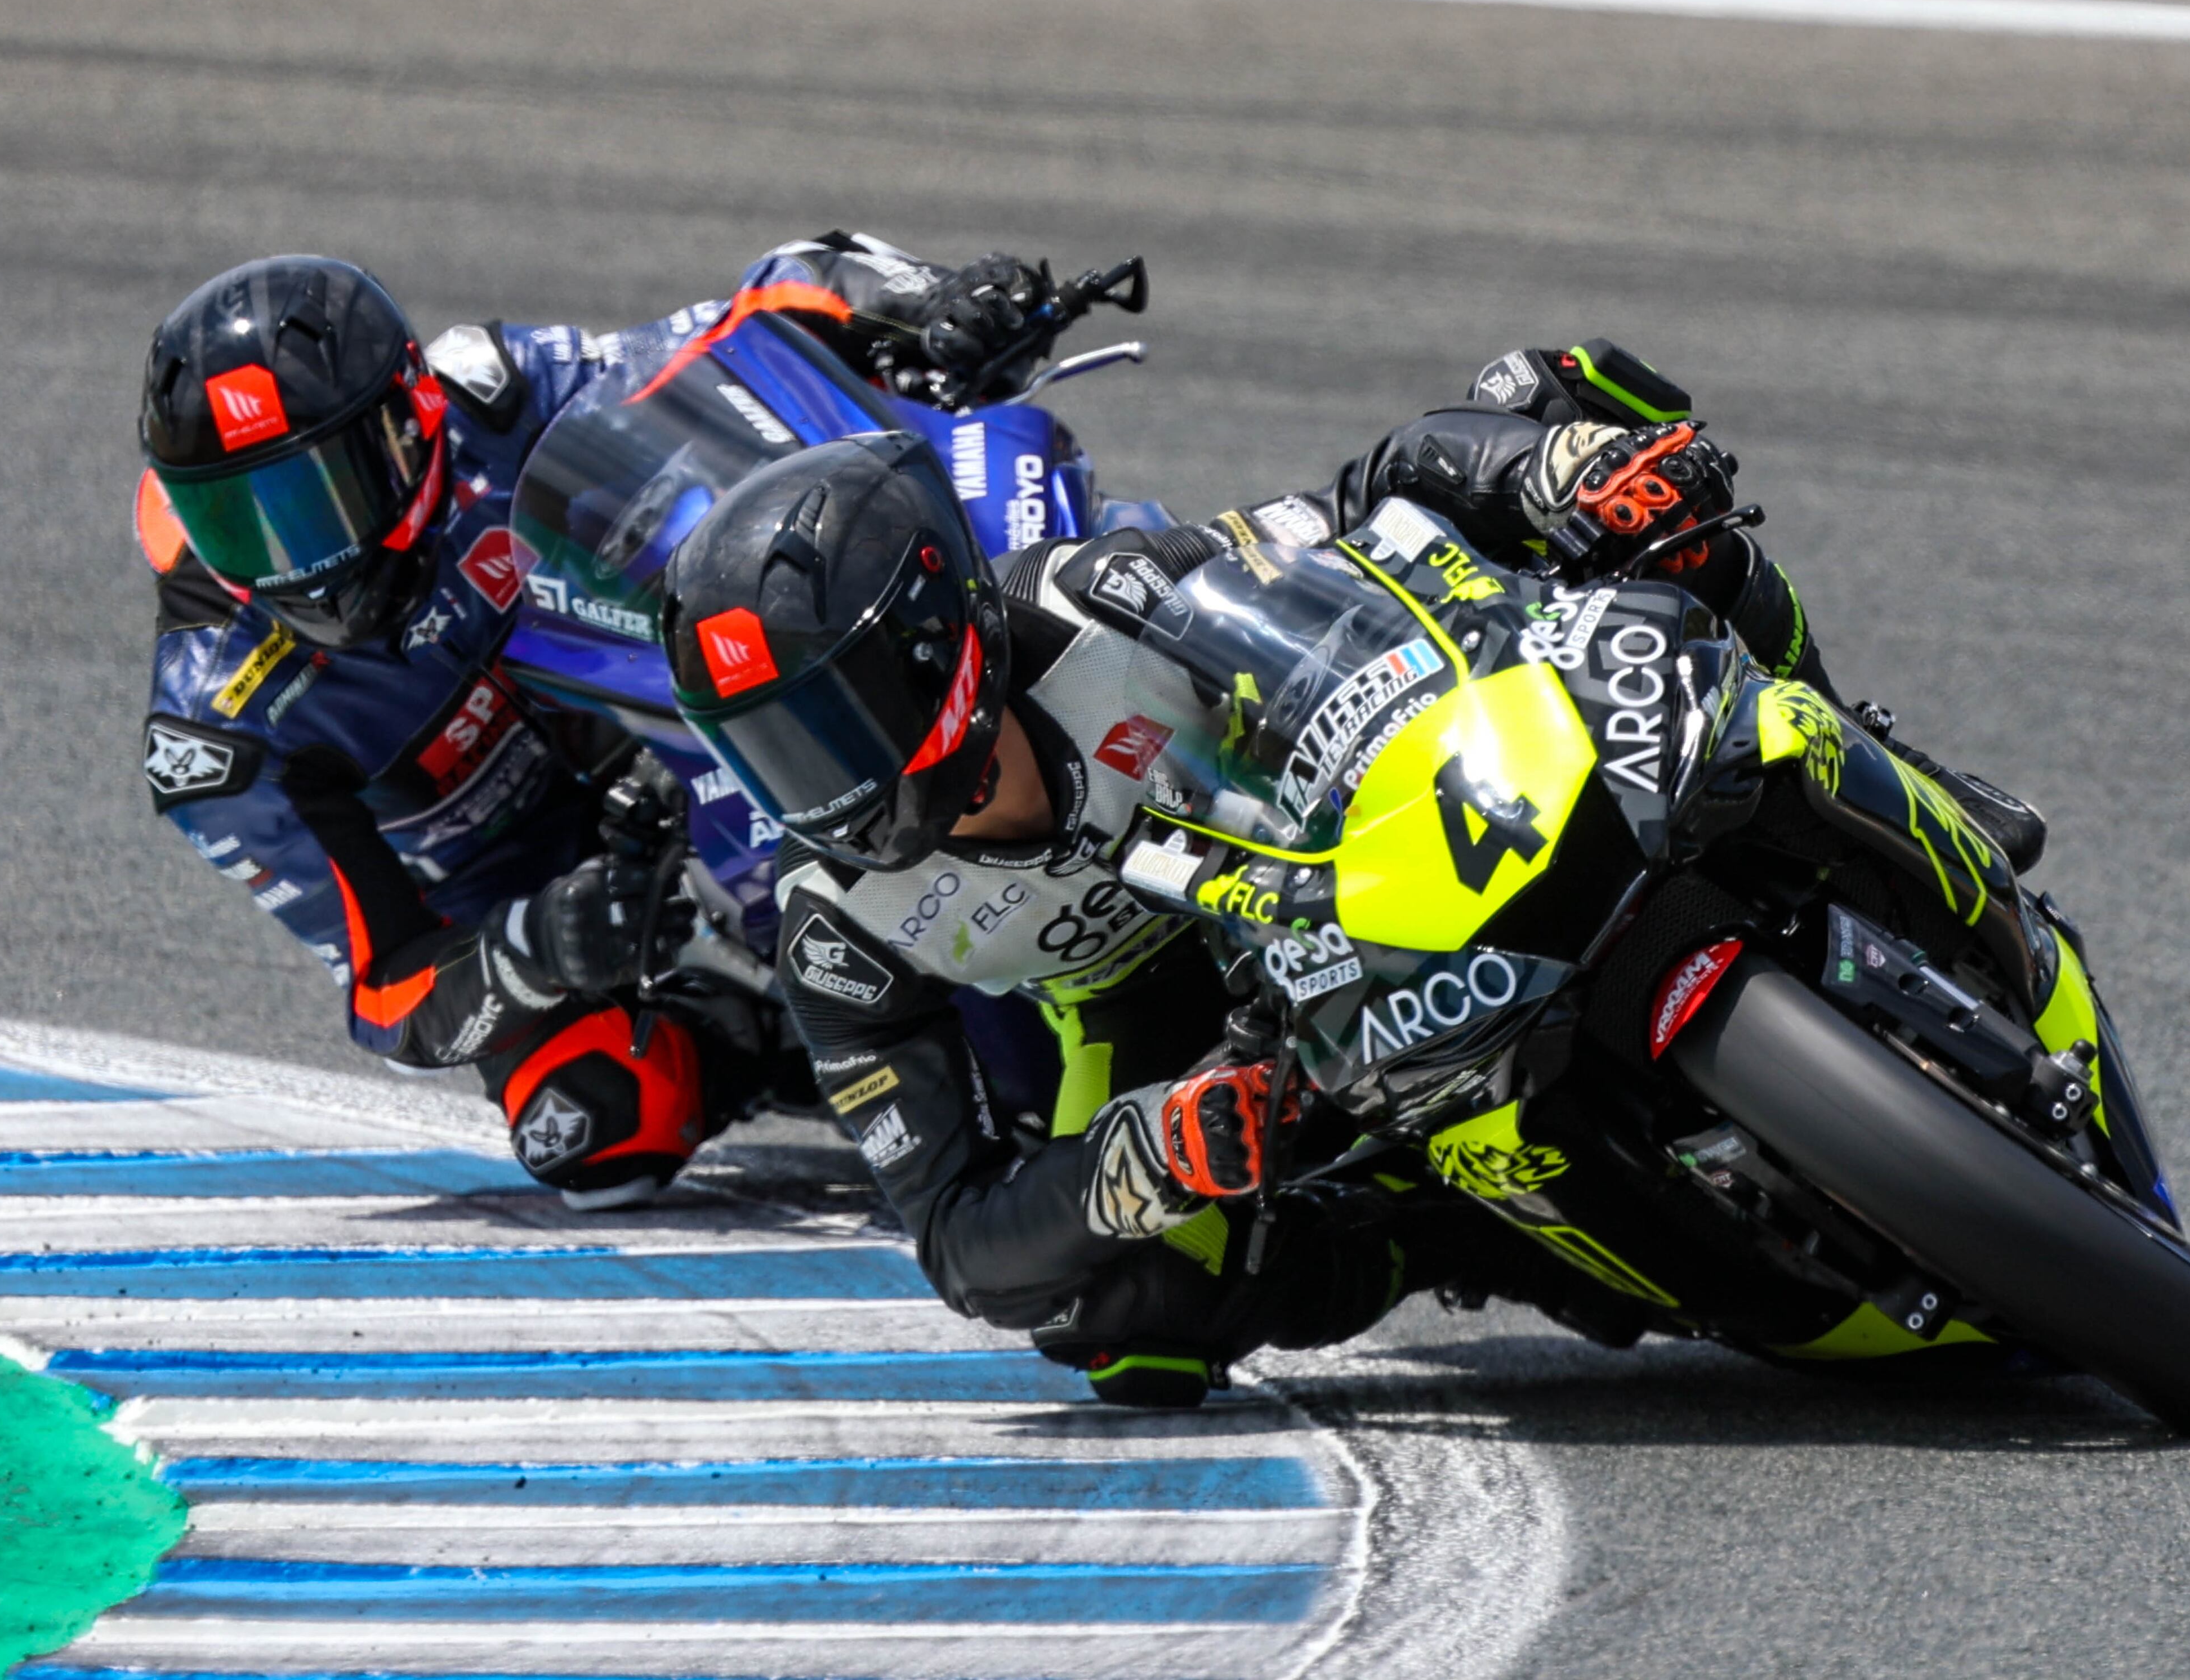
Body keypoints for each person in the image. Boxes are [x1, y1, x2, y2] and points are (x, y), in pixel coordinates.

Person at [658, 335, 2046, 1401]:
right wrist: (1132, 1164)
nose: (812, 785)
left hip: (1319, 849)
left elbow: (1362, 507)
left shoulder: (1098, 600)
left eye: (824, 722)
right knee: (1110, 1323)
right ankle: (1452, 1233)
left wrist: (1543, 477)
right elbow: (960, 1237)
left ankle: (1879, 759)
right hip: (1176, 1021)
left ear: (930, 646)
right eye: (771, 747)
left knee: (1574, 404)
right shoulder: (835, 928)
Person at [134, 235, 1065, 1205]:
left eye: (318, 496)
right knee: (596, 1122)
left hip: (693, 738)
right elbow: (387, 998)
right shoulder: (221, 732)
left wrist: (924, 304)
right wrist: (537, 945)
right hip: (553, 896)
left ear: (410, 422)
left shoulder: (491, 399)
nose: (301, 560)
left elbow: (736, 325)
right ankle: (762, 1029)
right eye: (242, 522)